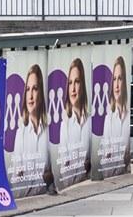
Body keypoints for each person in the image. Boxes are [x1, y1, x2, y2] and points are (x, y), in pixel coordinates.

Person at [7, 64, 53, 197]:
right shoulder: (20, 134)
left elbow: (54, 175)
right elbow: (17, 180)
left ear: (41, 93)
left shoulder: (50, 131)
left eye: (35, 89)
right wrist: (43, 178)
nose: (30, 95)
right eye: (28, 89)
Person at [58, 58, 91, 187]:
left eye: (76, 82)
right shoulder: (65, 124)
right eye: (70, 83)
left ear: (82, 85)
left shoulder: (91, 121)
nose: (72, 88)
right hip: (71, 185)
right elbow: (64, 167)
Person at [99, 56, 131, 175]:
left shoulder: (129, 117)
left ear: (125, 82)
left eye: (120, 79)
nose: (116, 85)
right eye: (114, 79)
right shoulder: (109, 119)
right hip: (111, 175)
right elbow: (105, 158)